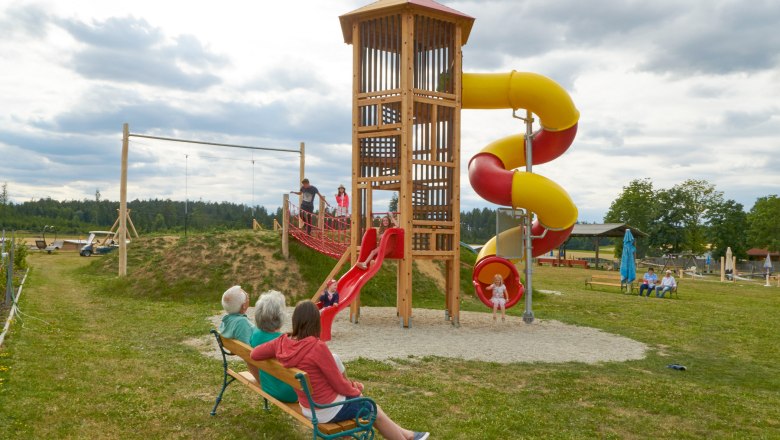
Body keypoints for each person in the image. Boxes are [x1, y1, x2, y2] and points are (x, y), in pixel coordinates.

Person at [250, 301, 429, 440]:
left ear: (295, 320)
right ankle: (407, 437)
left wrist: (278, 355)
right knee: (372, 407)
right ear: (315, 322)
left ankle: (409, 435)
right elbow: (340, 385)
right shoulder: (317, 347)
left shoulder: (281, 342)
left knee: (366, 404)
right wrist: (357, 390)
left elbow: (255, 354)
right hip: (325, 410)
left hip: (308, 407)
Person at [249, 290, 298, 403]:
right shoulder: (285, 342)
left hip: (268, 386)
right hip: (289, 393)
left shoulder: (255, 335)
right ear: (280, 317)